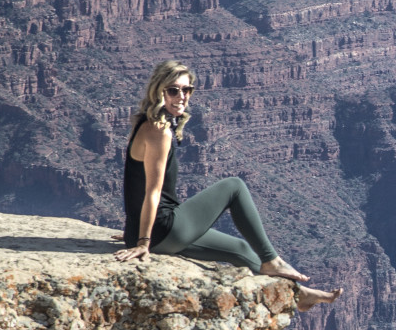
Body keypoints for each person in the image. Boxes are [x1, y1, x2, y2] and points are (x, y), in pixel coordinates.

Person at [114, 59, 341, 311]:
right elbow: (152, 191)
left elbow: (133, 184)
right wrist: (143, 242)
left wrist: (133, 230)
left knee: (241, 249)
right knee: (234, 186)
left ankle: (301, 294)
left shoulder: (146, 123)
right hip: (163, 230)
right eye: (173, 90)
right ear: (158, 91)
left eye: (187, 90)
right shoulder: (159, 131)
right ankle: (272, 260)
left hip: (153, 231)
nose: (182, 97)